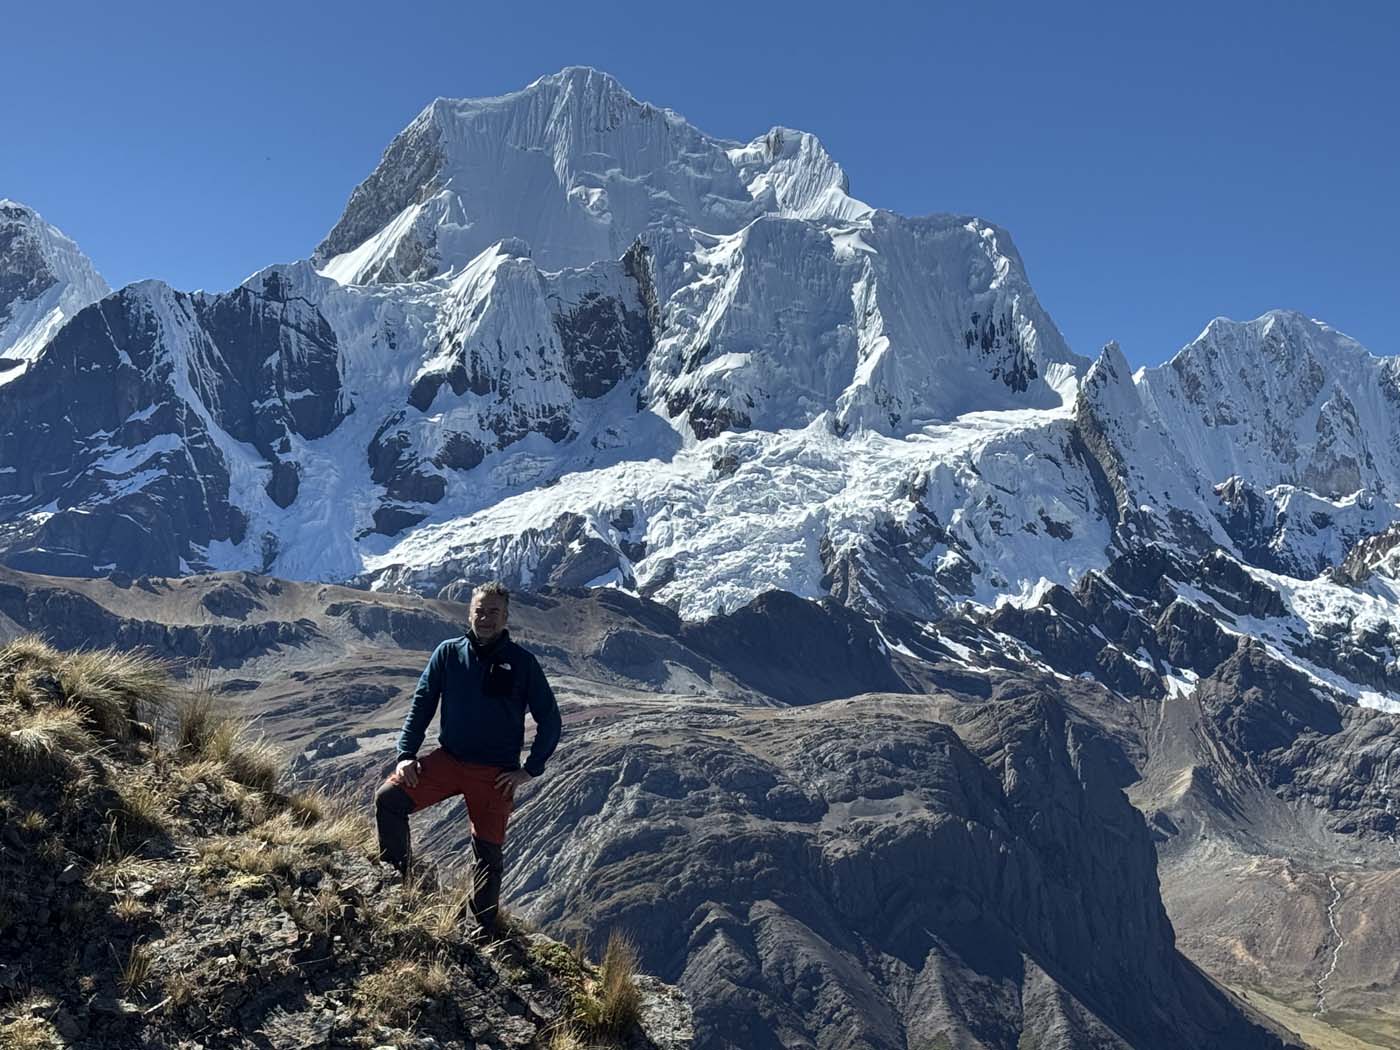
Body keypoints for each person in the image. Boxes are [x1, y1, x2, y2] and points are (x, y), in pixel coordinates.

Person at [374, 580, 562, 934]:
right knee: (389, 800)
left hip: (495, 775)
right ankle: (400, 884)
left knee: (488, 855)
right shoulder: (448, 653)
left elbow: (550, 719)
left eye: (494, 612)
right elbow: (422, 704)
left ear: (506, 618)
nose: (485, 618)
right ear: (469, 612)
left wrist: (529, 770)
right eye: (480, 610)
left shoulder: (523, 664)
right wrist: (406, 754)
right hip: (449, 760)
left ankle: (482, 926)